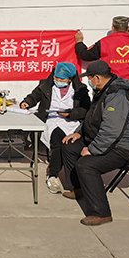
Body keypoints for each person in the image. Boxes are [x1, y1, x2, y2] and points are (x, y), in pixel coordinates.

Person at [61, 60, 129, 226]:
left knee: (86, 165)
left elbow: (111, 130)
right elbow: (91, 117)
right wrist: (79, 132)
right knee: (69, 146)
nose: (89, 81)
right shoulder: (103, 91)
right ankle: (79, 189)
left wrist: (92, 149)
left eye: (90, 78)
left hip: (121, 147)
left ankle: (101, 213)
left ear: (97, 78)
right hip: (103, 140)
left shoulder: (117, 96)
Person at [20, 62, 90, 194]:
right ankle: (52, 176)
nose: (58, 81)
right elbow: (34, 96)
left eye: (62, 79)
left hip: (71, 122)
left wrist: (70, 114)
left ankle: (74, 181)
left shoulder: (80, 90)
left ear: (70, 79)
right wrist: (26, 102)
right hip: (51, 121)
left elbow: (86, 109)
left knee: (71, 144)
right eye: (56, 77)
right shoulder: (45, 86)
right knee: (59, 142)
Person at [74, 16, 129, 82]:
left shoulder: (103, 43)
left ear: (113, 28)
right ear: (128, 28)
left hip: (110, 82)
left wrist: (79, 43)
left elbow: (86, 55)